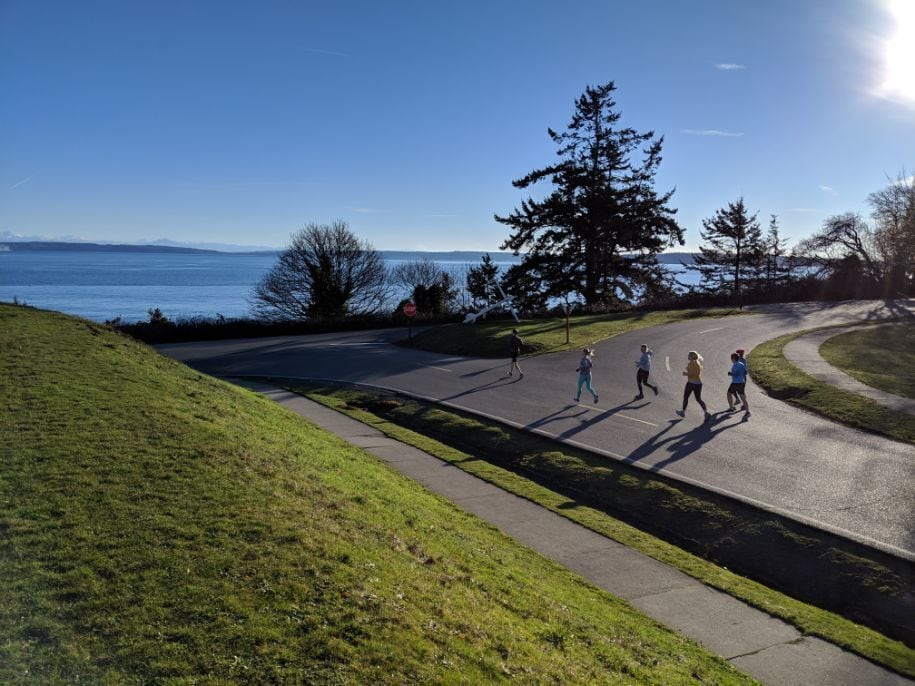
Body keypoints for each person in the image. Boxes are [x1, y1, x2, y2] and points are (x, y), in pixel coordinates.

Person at [676, 350, 710, 423]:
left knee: (686, 397)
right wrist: (688, 373)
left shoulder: (693, 363)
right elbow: (696, 373)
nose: (688, 356)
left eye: (689, 355)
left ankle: (683, 412)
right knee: (698, 399)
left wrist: (686, 374)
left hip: (691, 383)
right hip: (698, 383)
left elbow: (695, 373)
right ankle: (706, 413)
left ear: (691, 357)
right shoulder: (695, 363)